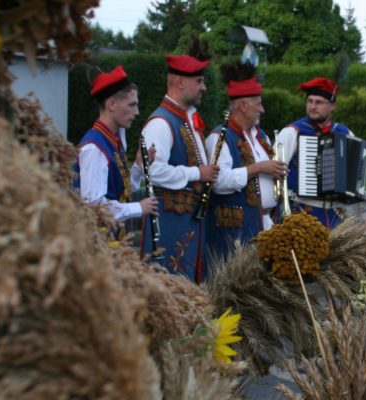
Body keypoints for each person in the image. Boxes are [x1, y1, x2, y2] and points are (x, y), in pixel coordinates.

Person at [140, 52, 219, 282]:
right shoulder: (161, 122)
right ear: (180, 82)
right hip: (168, 224)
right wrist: (198, 173)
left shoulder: (185, 119)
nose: (203, 87)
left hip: (186, 225)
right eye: (199, 81)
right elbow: (153, 172)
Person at [204, 62, 287, 271]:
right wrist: (258, 168)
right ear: (243, 106)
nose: (262, 109)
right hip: (235, 232)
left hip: (266, 225)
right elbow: (219, 182)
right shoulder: (220, 137)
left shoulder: (261, 136)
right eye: (258, 104)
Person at [74, 65, 158, 232]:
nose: (137, 112)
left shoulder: (114, 140)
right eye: (131, 105)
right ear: (112, 104)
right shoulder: (94, 147)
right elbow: (94, 207)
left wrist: (138, 168)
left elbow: (119, 193)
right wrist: (138, 208)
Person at [275, 77, 354, 229]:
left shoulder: (345, 133)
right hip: (301, 213)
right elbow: (274, 171)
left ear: (332, 106)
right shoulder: (292, 132)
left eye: (318, 102)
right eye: (310, 101)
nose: (312, 106)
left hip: (335, 215)